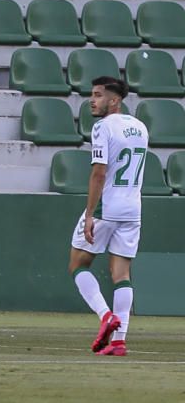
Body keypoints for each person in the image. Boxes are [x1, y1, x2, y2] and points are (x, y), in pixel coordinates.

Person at [68, 76, 148, 357]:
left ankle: (106, 316)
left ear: (114, 100)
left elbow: (99, 172)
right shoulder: (140, 126)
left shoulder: (102, 127)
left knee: (78, 264)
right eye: (92, 94)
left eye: (98, 95)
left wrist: (90, 214)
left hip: (107, 207)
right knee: (121, 274)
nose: (92, 99)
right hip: (133, 208)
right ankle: (119, 342)